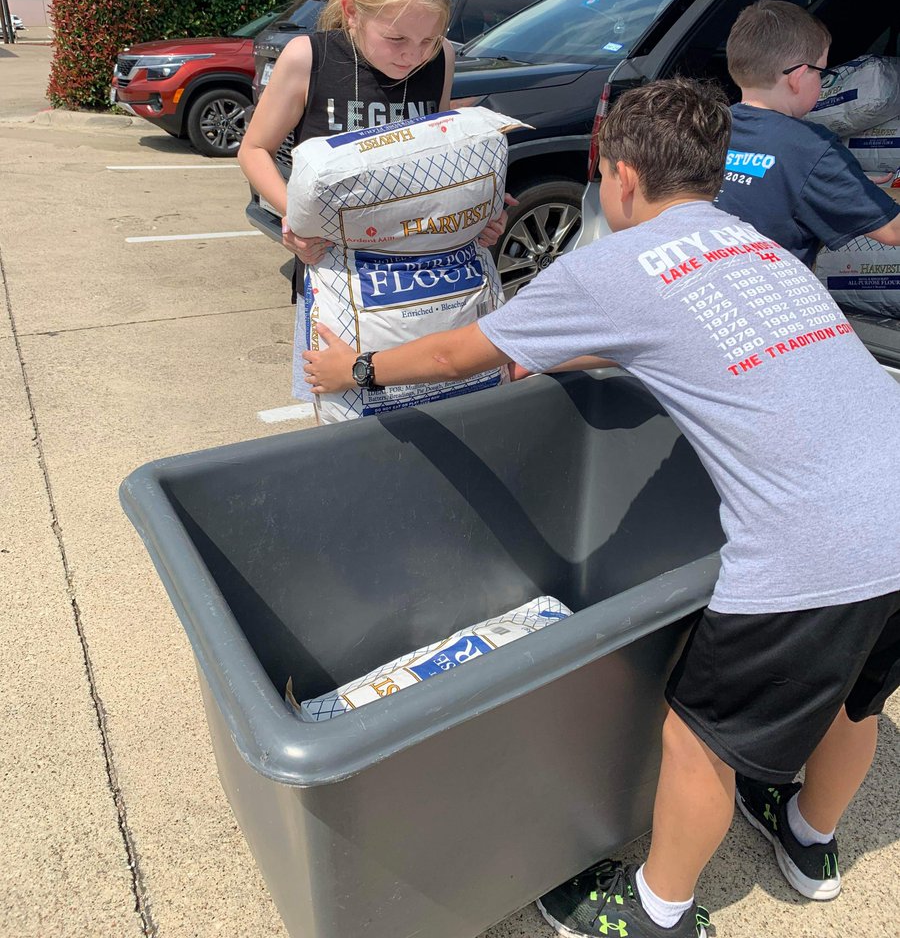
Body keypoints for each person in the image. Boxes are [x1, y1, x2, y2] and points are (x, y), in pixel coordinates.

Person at [302, 76, 900, 938]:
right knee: (854, 702)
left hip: (816, 544)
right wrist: (552, 351)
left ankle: (658, 914)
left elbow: (449, 354)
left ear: (620, 177)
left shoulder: (618, 263)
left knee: (700, 736)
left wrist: (351, 370)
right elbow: (665, 337)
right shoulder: (751, 244)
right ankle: (811, 841)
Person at [237, 0, 510, 411]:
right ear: (352, 13)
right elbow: (254, 149)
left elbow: (435, 154)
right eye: (396, 38)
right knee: (342, 420)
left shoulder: (439, 59)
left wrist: (477, 208)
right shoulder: (309, 58)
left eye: (429, 38)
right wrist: (293, 219)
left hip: (426, 283)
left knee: (425, 404)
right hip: (340, 282)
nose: (413, 55)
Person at [716, 0, 900, 267]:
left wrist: (846, 185)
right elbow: (893, 231)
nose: (822, 80)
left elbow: (768, 183)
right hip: (772, 298)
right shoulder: (811, 148)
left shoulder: (708, 129)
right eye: (821, 72)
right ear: (798, 77)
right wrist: (831, 174)